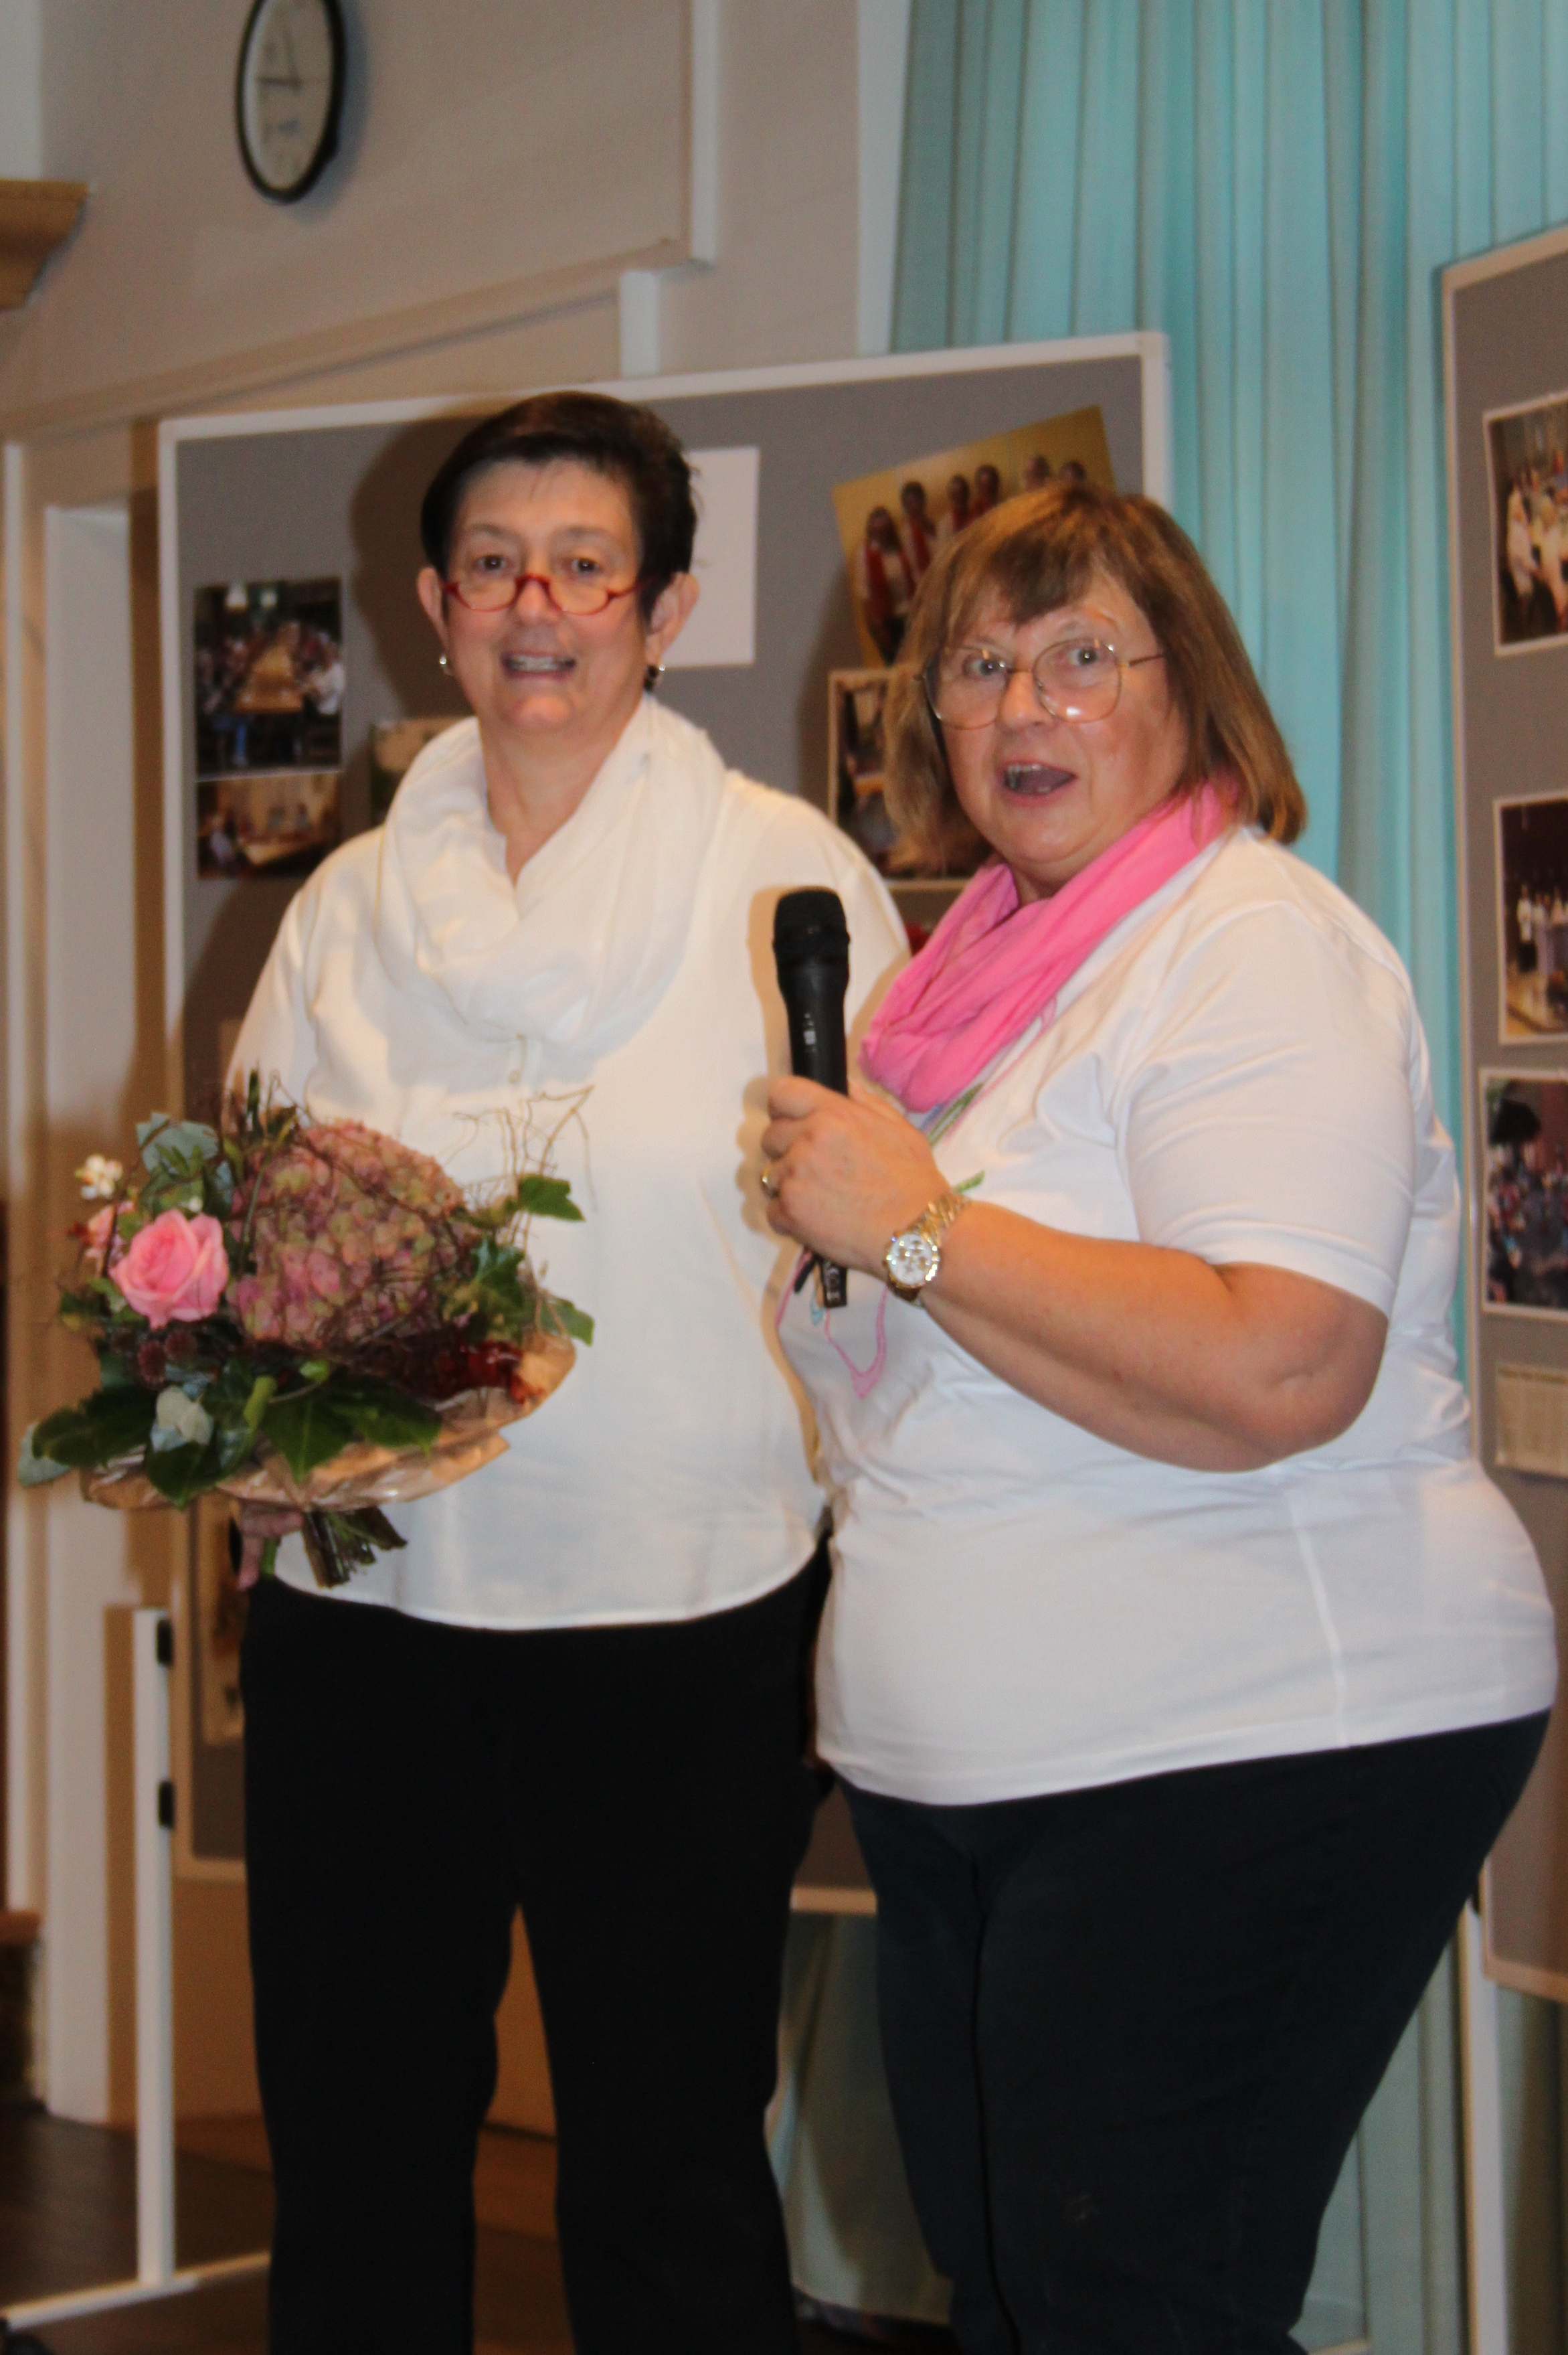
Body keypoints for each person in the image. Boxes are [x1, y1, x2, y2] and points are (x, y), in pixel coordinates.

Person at [758, 481, 1556, 2354]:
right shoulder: (969, 993)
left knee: (1125, 2305)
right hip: (995, 1767)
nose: (1018, 705)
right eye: (975, 665)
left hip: (1245, 1728)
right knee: (1024, 2298)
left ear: (1186, 686)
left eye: (1076, 655)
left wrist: (916, 1227)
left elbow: (1277, 1363)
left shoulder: (1247, 946)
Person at [231, 389, 905, 2355]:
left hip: (676, 1607)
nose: (538, 605)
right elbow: (249, 1216)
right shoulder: (348, 904)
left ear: (664, 606)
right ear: (436, 603)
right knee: (354, 2159)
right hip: (364, 1608)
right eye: (496, 564)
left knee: (663, 2168)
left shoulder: (784, 880)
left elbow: (880, 1234)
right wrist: (248, 1432)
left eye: (587, 566)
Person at [854, 503, 918, 662]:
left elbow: (916, 576)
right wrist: (878, 628)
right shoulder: (866, 555)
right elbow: (865, 595)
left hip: (911, 614)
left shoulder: (902, 548)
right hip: (887, 622)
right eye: (877, 531)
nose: (882, 535)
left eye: (885, 530)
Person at [898, 478, 939, 577]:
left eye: (917, 500)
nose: (915, 506)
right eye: (911, 503)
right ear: (906, 506)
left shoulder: (933, 525)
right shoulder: (906, 533)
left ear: (923, 501)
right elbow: (912, 566)